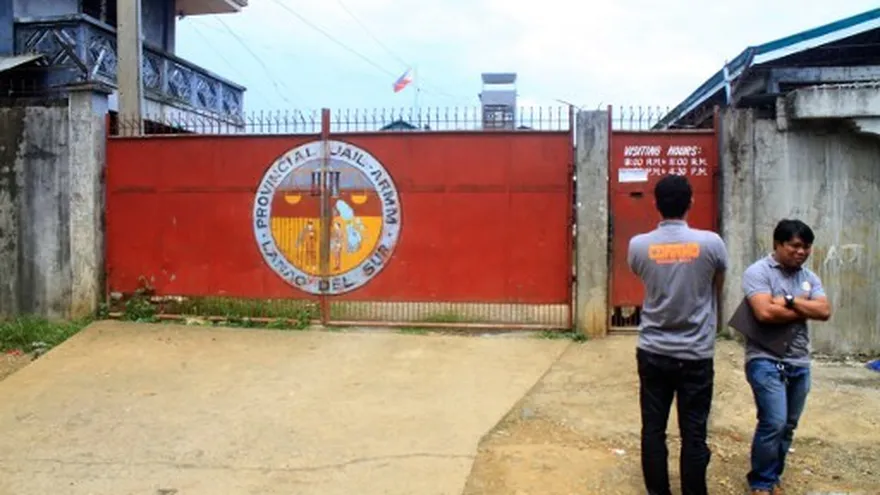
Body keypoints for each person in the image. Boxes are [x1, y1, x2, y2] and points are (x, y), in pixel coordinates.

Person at [627, 174, 728, 495]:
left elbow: (642, 276)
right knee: (694, 433)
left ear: (655, 203)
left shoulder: (639, 246)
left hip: (653, 350)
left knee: (653, 429)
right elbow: (717, 285)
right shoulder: (711, 243)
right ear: (691, 202)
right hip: (696, 352)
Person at [741, 219, 831, 495]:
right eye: (795, 246)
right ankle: (761, 482)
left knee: (788, 425)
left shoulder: (810, 277)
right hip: (764, 357)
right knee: (774, 421)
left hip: (799, 360)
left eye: (806, 247)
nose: (801, 252)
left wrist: (789, 301)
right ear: (778, 244)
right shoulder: (758, 272)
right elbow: (764, 312)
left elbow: (825, 311)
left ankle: (772, 476)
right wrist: (805, 307)